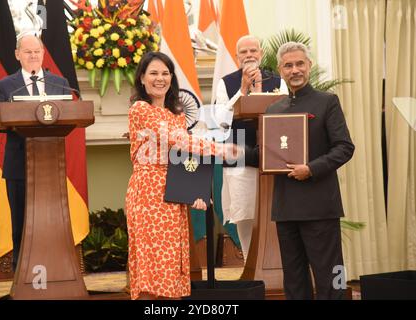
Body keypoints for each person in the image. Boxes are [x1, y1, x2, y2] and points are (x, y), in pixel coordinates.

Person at [126, 51, 240, 300]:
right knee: (151, 266)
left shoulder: (176, 114)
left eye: (165, 73)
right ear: (142, 78)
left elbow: (185, 159)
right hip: (148, 192)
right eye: (153, 73)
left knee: (172, 263)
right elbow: (178, 141)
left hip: (174, 192)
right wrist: (219, 149)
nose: (160, 79)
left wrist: (196, 193)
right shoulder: (139, 109)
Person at [267, 41, 355, 299]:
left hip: (320, 207)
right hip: (285, 208)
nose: (295, 70)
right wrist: (233, 152)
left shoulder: (328, 102)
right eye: (288, 65)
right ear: (280, 70)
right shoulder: (274, 109)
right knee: (294, 281)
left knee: (332, 278)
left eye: (299, 64)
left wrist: (311, 169)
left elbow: (344, 147)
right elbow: (267, 154)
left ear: (309, 66)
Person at [0, 34, 72, 270]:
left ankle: (56, 270)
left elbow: (70, 116)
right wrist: (9, 119)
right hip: (18, 166)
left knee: (52, 222)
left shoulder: (60, 83)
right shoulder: (5, 85)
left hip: (51, 165)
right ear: (17, 55)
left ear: (43, 53)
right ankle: (21, 275)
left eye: (37, 51)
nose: (33, 56)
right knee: (22, 224)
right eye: (28, 52)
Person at [214, 35, 288, 262]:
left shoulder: (278, 80)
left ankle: (275, 265)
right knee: (245, 214)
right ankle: (249, 263)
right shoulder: (226, 83)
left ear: (261, 54)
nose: (249, 55)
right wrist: (243, 90)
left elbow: (286, 112)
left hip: (272, 156)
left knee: (273, 214)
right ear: (237, 57)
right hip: (240, 158)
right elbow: (220, 119)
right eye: (243, 52)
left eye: (253, 50)